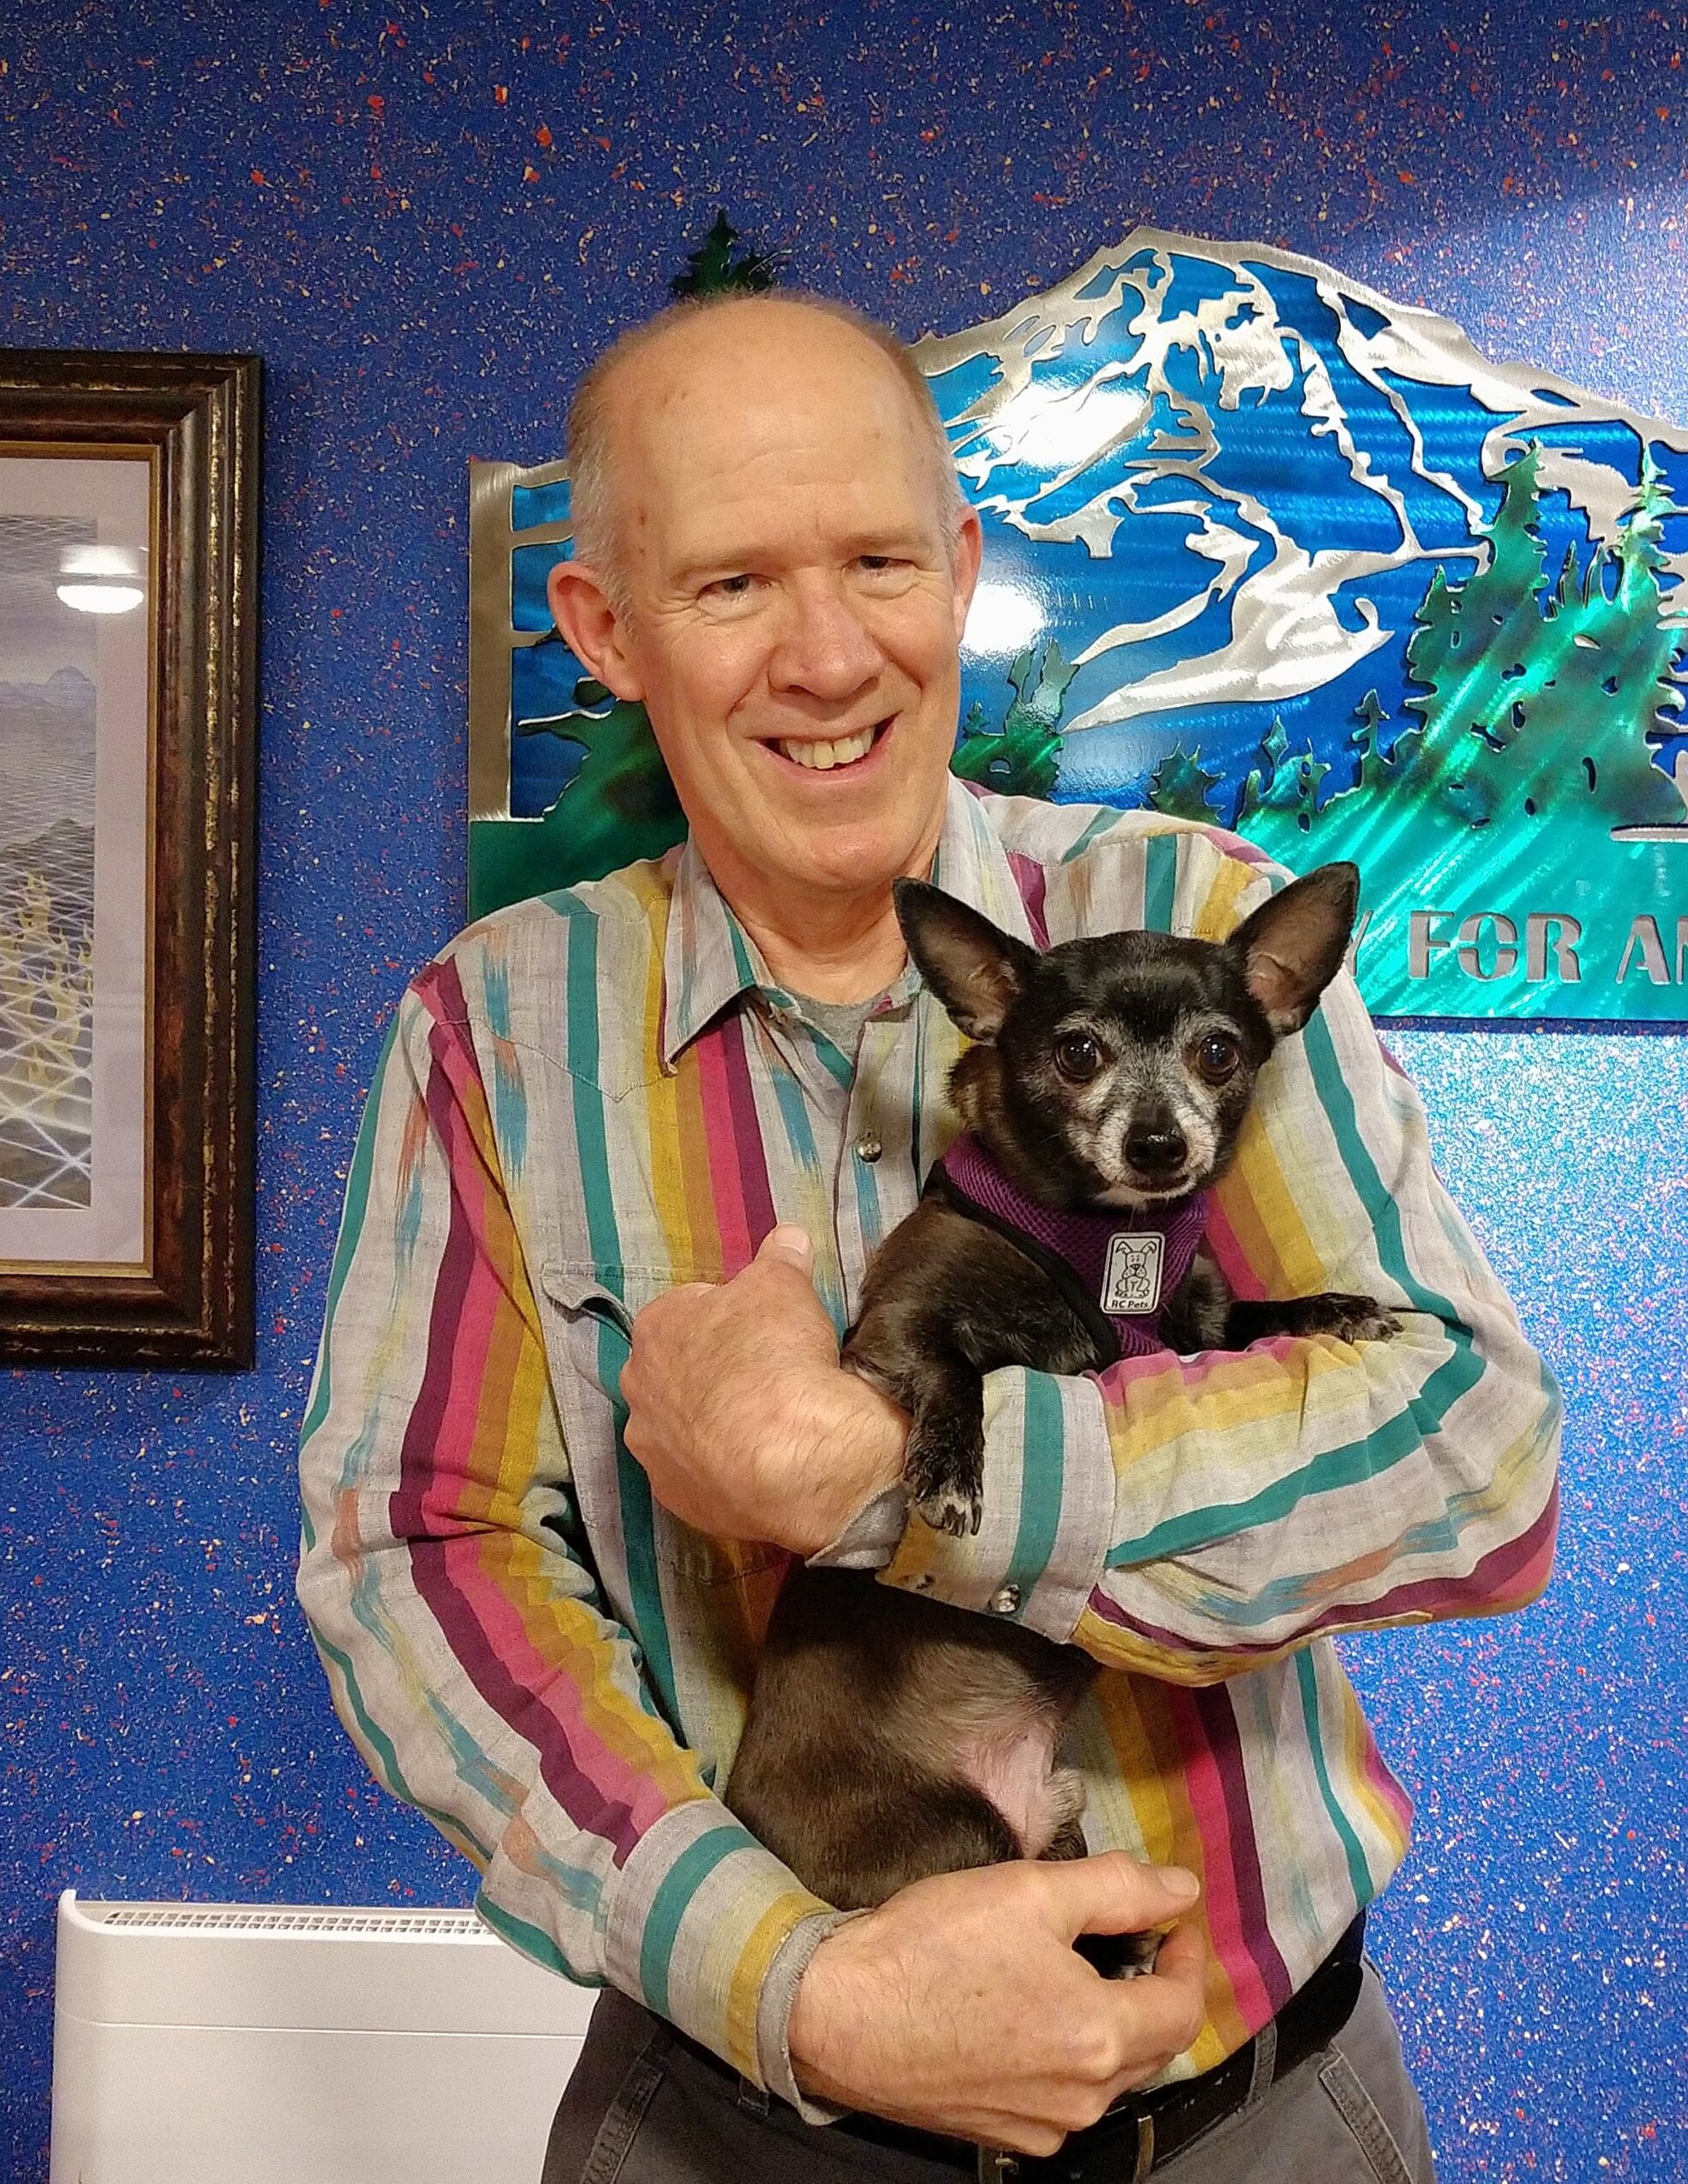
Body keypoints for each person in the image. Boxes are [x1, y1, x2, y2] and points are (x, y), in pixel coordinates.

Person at [295, 289, 1562, 2184]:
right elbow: (419, 1558)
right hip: (744, 2119)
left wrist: (896, 1473)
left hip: (1260, 2116)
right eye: (729, 584)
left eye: (879, 559)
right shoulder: (495, 1029)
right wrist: (800, 1981)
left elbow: (1473, 1457)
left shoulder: (1192, 930)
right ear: (605, 629)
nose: (827, 654)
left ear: (960, 570)